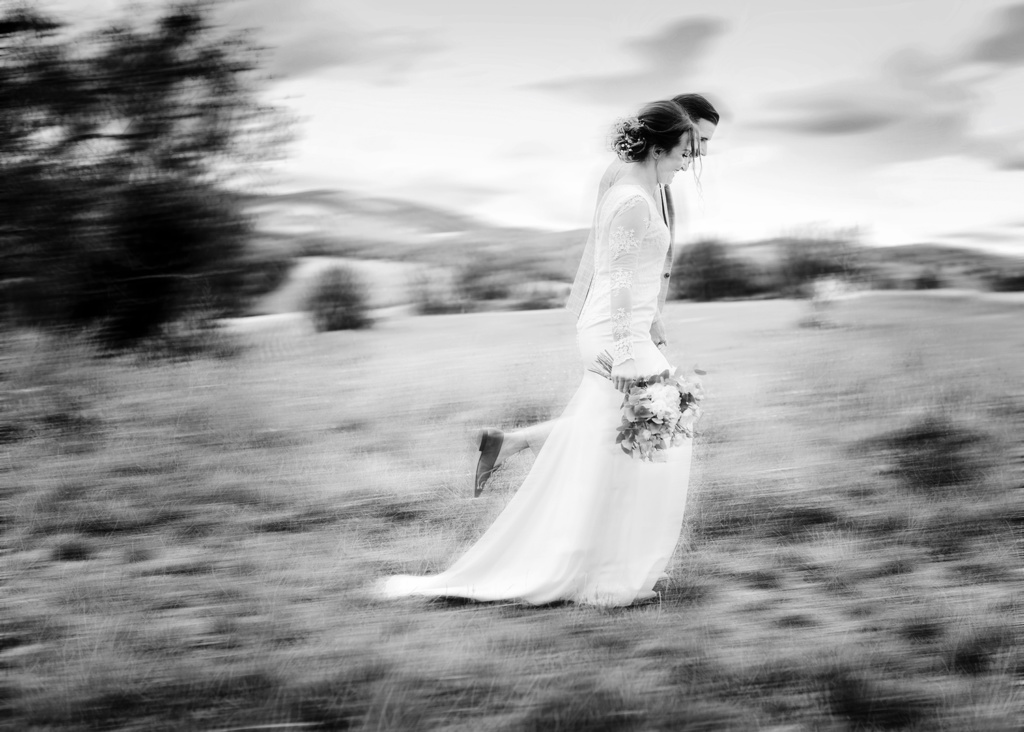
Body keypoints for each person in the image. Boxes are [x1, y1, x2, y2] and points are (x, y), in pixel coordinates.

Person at [381, 100, 699, 606]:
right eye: (684, 152)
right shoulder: (633, 200)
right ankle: (608, 578)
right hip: (618, 335)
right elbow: (615, 281)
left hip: (627, 330)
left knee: (627, 444)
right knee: (647, 441)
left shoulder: (641, 191)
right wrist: (622, 353)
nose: (688, 162)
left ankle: (608, 567)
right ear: (658, 148)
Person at [474, 93, 720, 496]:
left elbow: (641, 260)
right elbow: (617, 262)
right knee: (640, 417)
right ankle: (559, 484)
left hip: (626, 316)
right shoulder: (629, 178)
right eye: (698, 142)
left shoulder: (652, 172)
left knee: (626, 418)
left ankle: (518, 449)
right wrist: (625, 341)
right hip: (610, 315)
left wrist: (651, 316)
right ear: (673, 134)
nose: (701, 153)